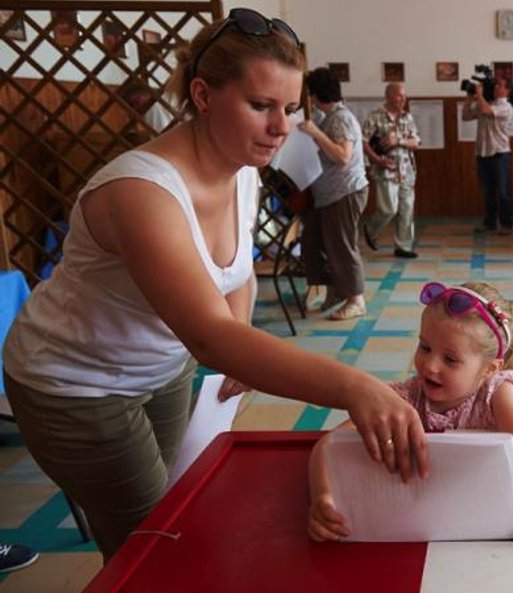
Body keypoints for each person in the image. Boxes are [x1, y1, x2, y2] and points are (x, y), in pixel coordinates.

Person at [1, 9, 427, 561]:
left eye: (292, 109)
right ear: (203, 95)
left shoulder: (242, 169)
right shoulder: (144, 192)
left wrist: (241, 332)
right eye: (260, 106)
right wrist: (352, 386)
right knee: (153, 542)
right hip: (76, 384)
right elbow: (207, 335)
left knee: (177, 506)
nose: (282, 127)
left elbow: (237, 273)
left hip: (161, 368)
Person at [308, 281, 513, 546]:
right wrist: (323, 497)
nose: (429, 366)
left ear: (490, 368)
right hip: (427, 524)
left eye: (450, 359)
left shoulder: (497, 392)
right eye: (425, 347)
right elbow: (330, 445)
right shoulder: (405, 398)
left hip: (485, 526)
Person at [297, 68, 371, 320]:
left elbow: (343, 156)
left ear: (316, 94)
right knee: (314, 242)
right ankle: (338, 290)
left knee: (342, 246)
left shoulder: (340, 118)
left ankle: (356, 299)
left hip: (345, 191)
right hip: (329, 194)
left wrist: (315, 133)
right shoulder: (327, 116)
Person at [361, 82, 421, 259]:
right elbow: (363, 142)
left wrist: (399, 142)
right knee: (388, 209)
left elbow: (416, 142)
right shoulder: (375, 117)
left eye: (404, 95)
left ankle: (403, 246)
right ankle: (371, 230)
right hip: (386, 170)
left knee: (407, 209)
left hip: (407, 171)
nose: (403, 98)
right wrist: (377, 159)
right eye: (399, 95)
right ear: (388, 96)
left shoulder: (407, 118)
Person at [461, 75, 513, 235]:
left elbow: (485, 110)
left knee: (503, 192)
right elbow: (465, 116)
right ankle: (489, 223)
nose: (496, 87)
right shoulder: (487, 103)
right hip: (483, 153)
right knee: (488, 192)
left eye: (500, 85)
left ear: (507, 90)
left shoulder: (506, 107)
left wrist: (479, 95)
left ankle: (506, 224)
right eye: (496, 84)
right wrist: (469, 98)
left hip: (500, 153)